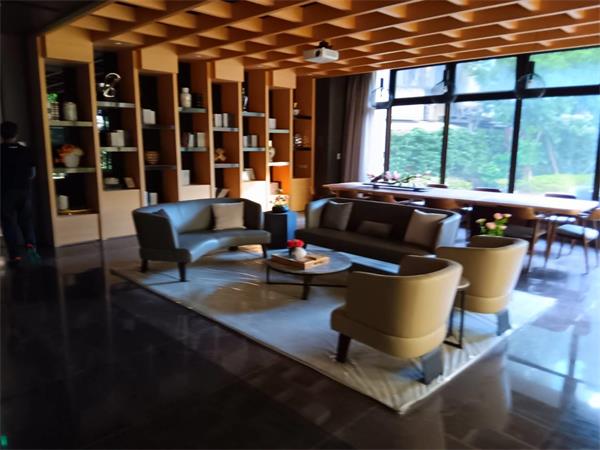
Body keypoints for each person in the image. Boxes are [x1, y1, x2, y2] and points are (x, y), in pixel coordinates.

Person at [1, 121, 40, 265]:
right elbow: (32, 173)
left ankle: (15, 255)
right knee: (26, 220)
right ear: (16, 134)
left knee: (8, 223)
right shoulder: (26, 150)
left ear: (1, 135)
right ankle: (31, 246)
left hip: (5, 193)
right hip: (24, 191)